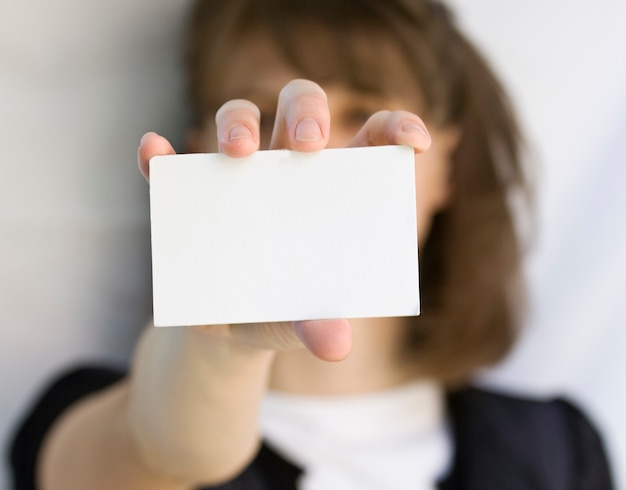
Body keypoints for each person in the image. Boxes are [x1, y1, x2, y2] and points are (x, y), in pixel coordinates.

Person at [9, 0, 614, 489]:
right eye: (266, 115)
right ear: (198, 161)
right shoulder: (84, 414)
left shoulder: (559, 450)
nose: (318, 150)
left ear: (445, 169)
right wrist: (215, 349)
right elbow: (161, 449)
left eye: (363, 112)